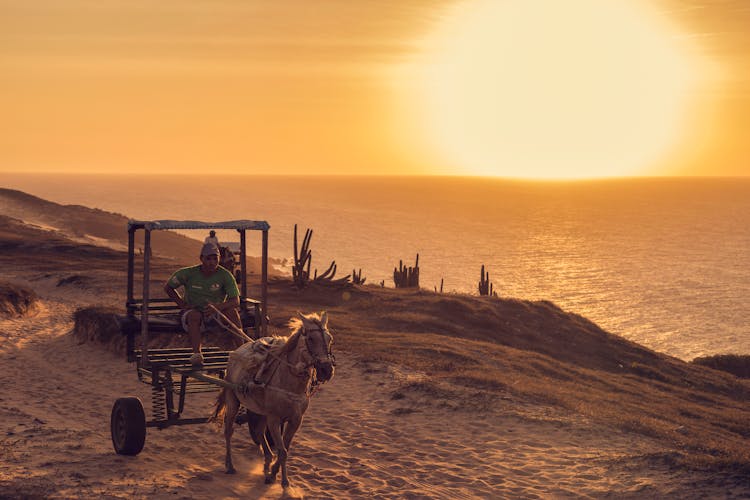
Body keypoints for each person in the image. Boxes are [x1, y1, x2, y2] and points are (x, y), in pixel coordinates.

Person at [163, 243, 241, 367]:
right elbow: (168, 287)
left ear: (219, 259)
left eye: (215, 258)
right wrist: (182, 304)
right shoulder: (188, 273)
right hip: (192, 312)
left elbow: (235, 301)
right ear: (201, 258)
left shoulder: (225, 275)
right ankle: (197, 354)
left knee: (233, 312)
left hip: (215, 314)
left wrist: (217, 307)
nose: (212, 262)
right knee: (194, 316)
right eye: (208, 259)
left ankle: (243, 350)